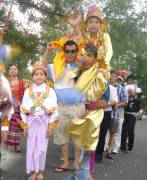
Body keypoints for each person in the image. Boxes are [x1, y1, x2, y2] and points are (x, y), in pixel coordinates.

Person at [43, 40, 85, 173]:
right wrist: (48, 50)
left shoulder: (81, 66)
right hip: (60, 107)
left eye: (73, 51)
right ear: (63, 52)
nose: (70, 53)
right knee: (62, 136)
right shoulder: (56, 67)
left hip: (78, 107)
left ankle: (77, 164)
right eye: (67, 51)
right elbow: (41, 66)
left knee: (78, 137)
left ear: (77, 52)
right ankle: (66, 162)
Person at [69, 43, 109, 180]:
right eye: (83, 55)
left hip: (92, 115)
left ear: (96, 58)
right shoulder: (76, 75)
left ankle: (86, 172)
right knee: (77, 142)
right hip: (76, 114)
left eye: (90, 55)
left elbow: (104, 102)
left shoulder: (100, 76)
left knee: (89, 145)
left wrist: (87, 107)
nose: (86, 58)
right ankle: (77, 167)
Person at [19, 61, 58, 180]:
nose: (39, 76)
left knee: (42, 147)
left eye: (42, 74)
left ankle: (40, 170)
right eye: (36, 74)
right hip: (31, 122)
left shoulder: (50, 91)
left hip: (44, 122)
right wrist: (24, 125)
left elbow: (55, 110)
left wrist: (51, 126)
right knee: (31, 146)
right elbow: (22, 109)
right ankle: (32, 171)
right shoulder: (27, 91)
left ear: (45, 76)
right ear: (32, 76)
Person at [4, 64, 26, 152]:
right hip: (7, 107)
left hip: (17, 108)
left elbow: (24, 94)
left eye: (15, 69)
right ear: (9, 71)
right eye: (11, 69)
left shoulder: (21, 82)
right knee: (5, 126)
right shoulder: (6, 81)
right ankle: (5, 144)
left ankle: (17, 145)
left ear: (17, 71)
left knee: (16, 126)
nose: (13, 70)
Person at [120, 87, 141, 153]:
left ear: (134, 92)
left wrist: (133, 96)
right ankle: (122, 146)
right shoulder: (127, 98)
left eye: (131, 91)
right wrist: (128, 96)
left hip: (132, 115)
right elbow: (124, 103)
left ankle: (130, 146)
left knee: (130, 130)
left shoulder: (137, 99)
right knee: (124, 130)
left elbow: (138, 109)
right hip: (126, 115)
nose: (130, 92)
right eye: (129, 91)